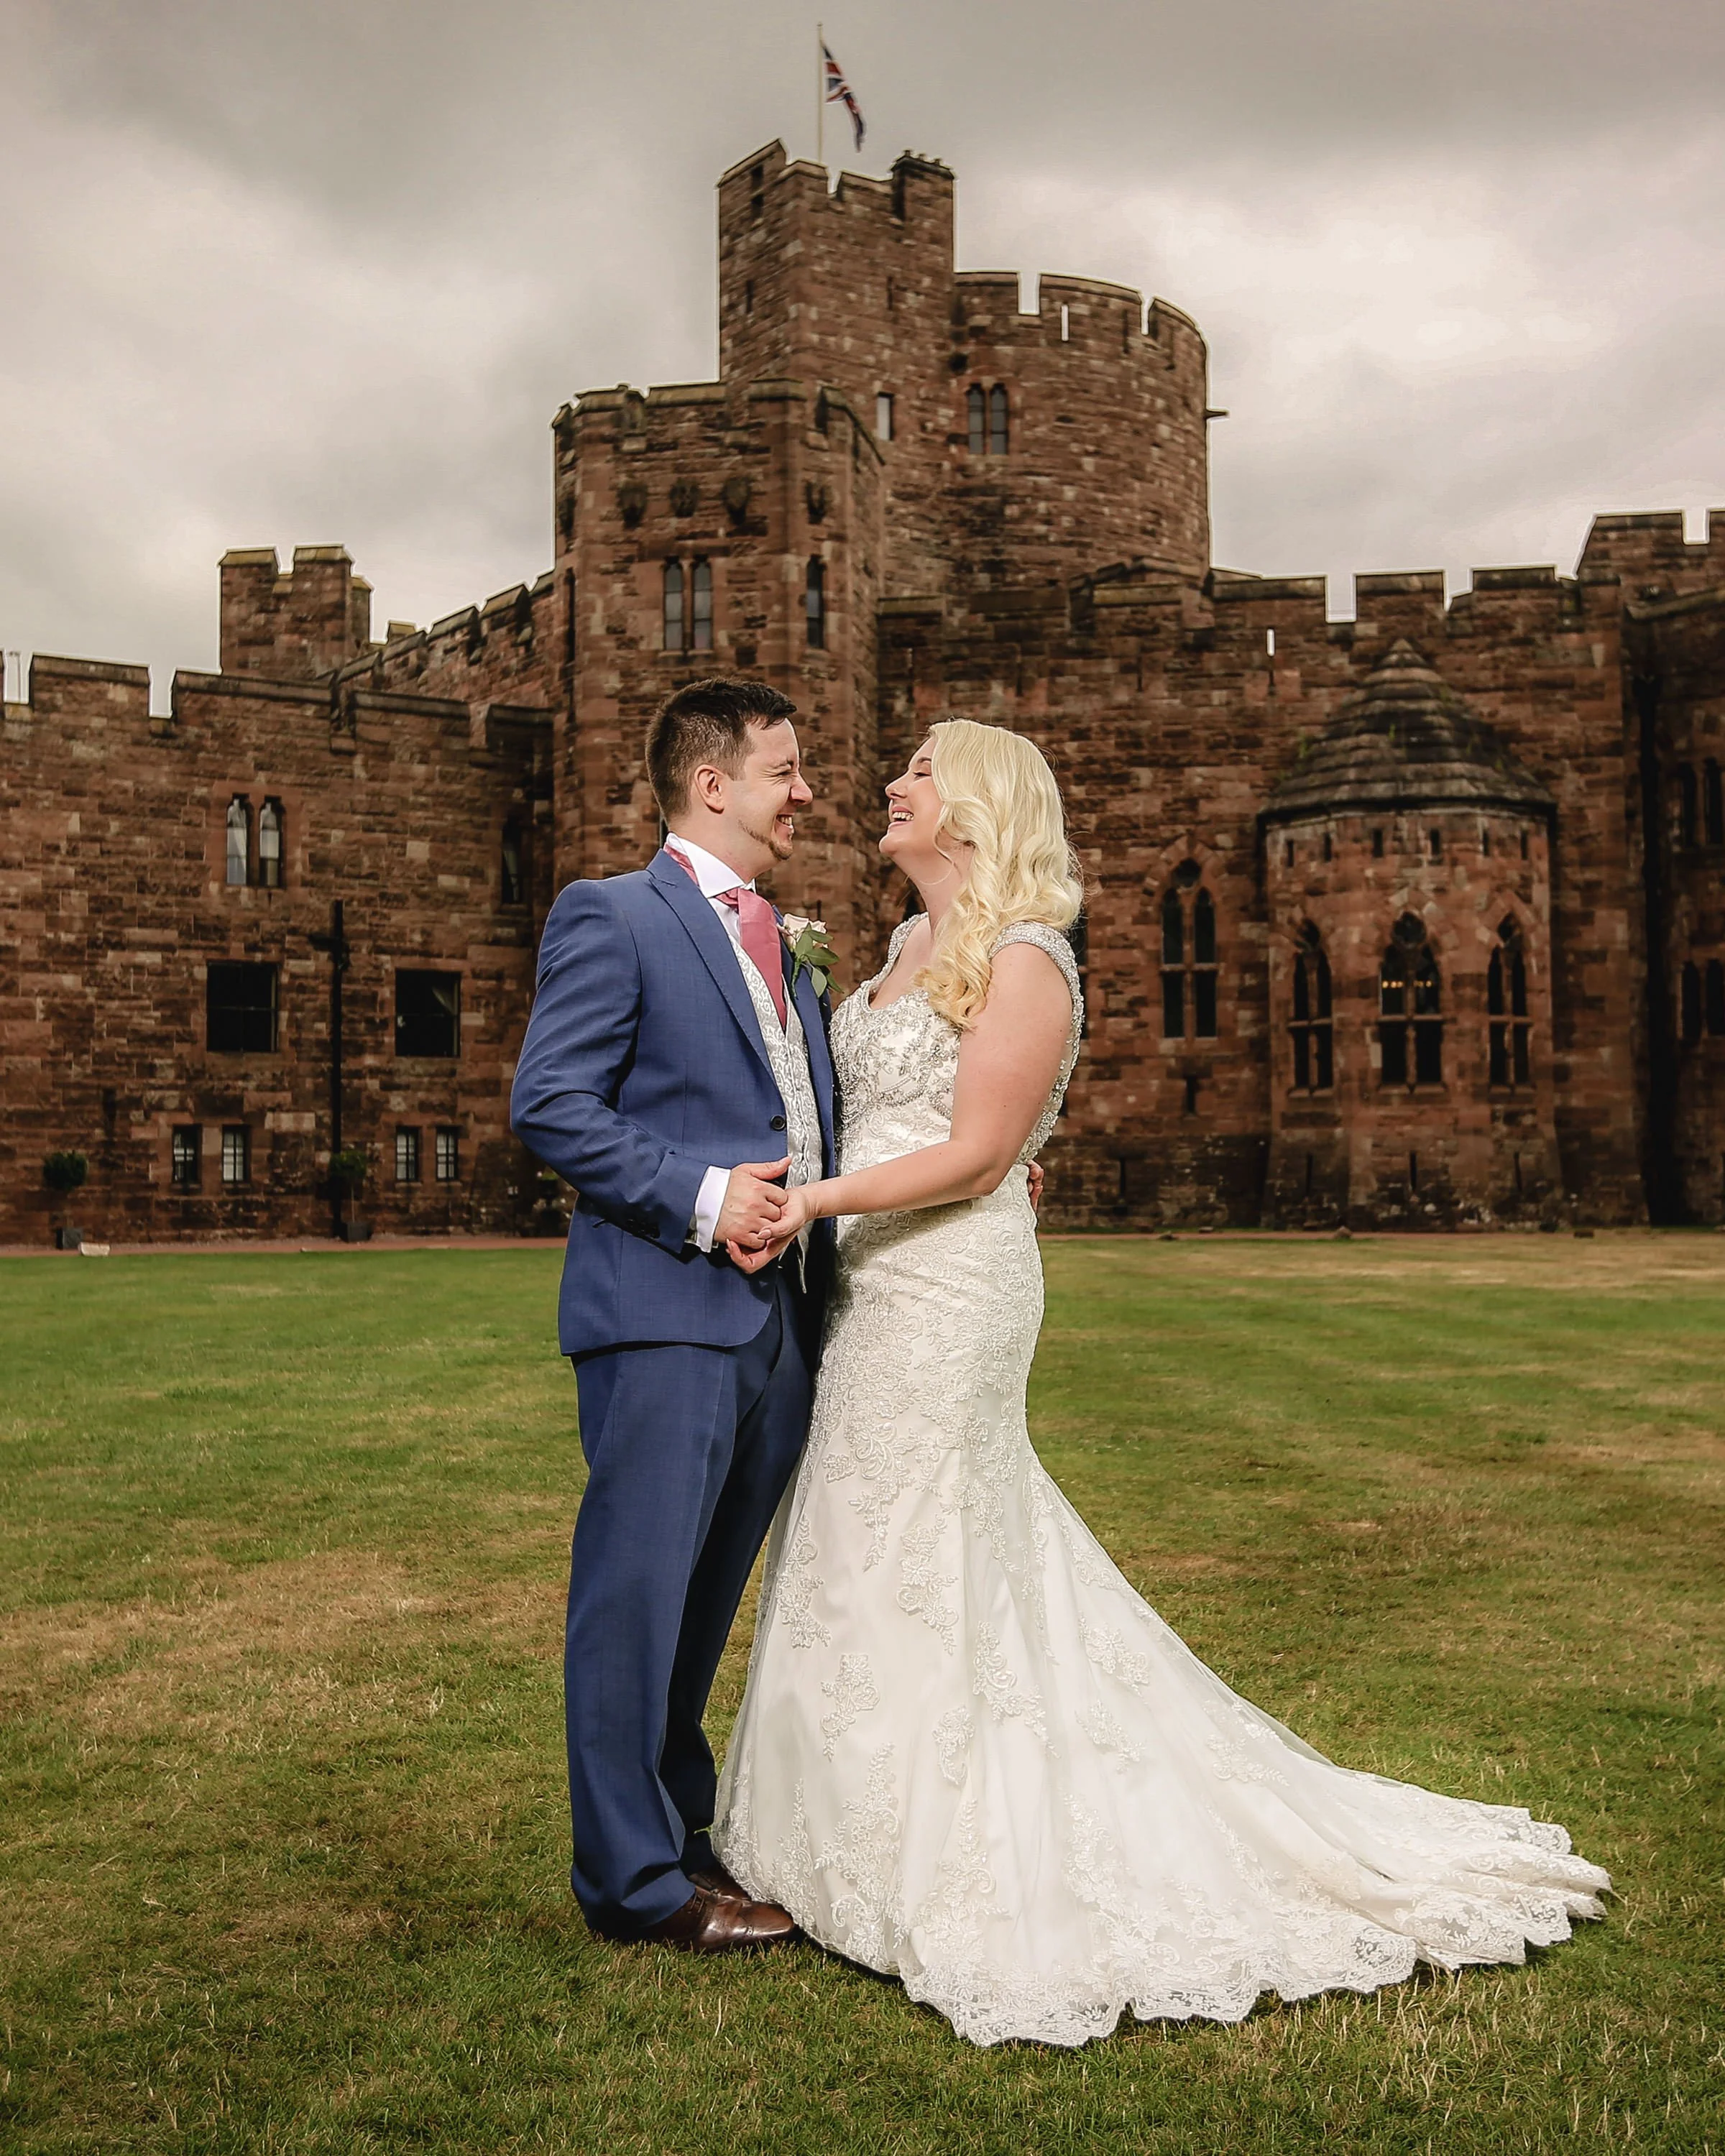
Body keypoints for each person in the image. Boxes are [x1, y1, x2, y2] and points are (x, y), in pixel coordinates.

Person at [712, 717, 1610, 2047]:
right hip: (871, 1281)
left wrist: (815, 1203)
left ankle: (968, 1841)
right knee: (855, 1527)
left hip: (950, 1281)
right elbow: (870, 1107)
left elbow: (972, 1156)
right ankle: (836, 1827)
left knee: (922, 1526)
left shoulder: (1028, 961)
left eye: (916, 771)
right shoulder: (897, 950)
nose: (889, 785)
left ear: (974, 809)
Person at [510, 676, 837, 1953]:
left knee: (703, 1610)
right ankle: (632, 1887)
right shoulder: (614, 916)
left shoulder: (786, 941)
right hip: (663, 1311)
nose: (805, 792)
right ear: (715, 785)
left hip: (779, 1328)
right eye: (786, 771)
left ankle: (680, 1836)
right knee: (635, 1600)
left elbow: (809, 1122)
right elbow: (554, 1102)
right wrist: (704, 1199)